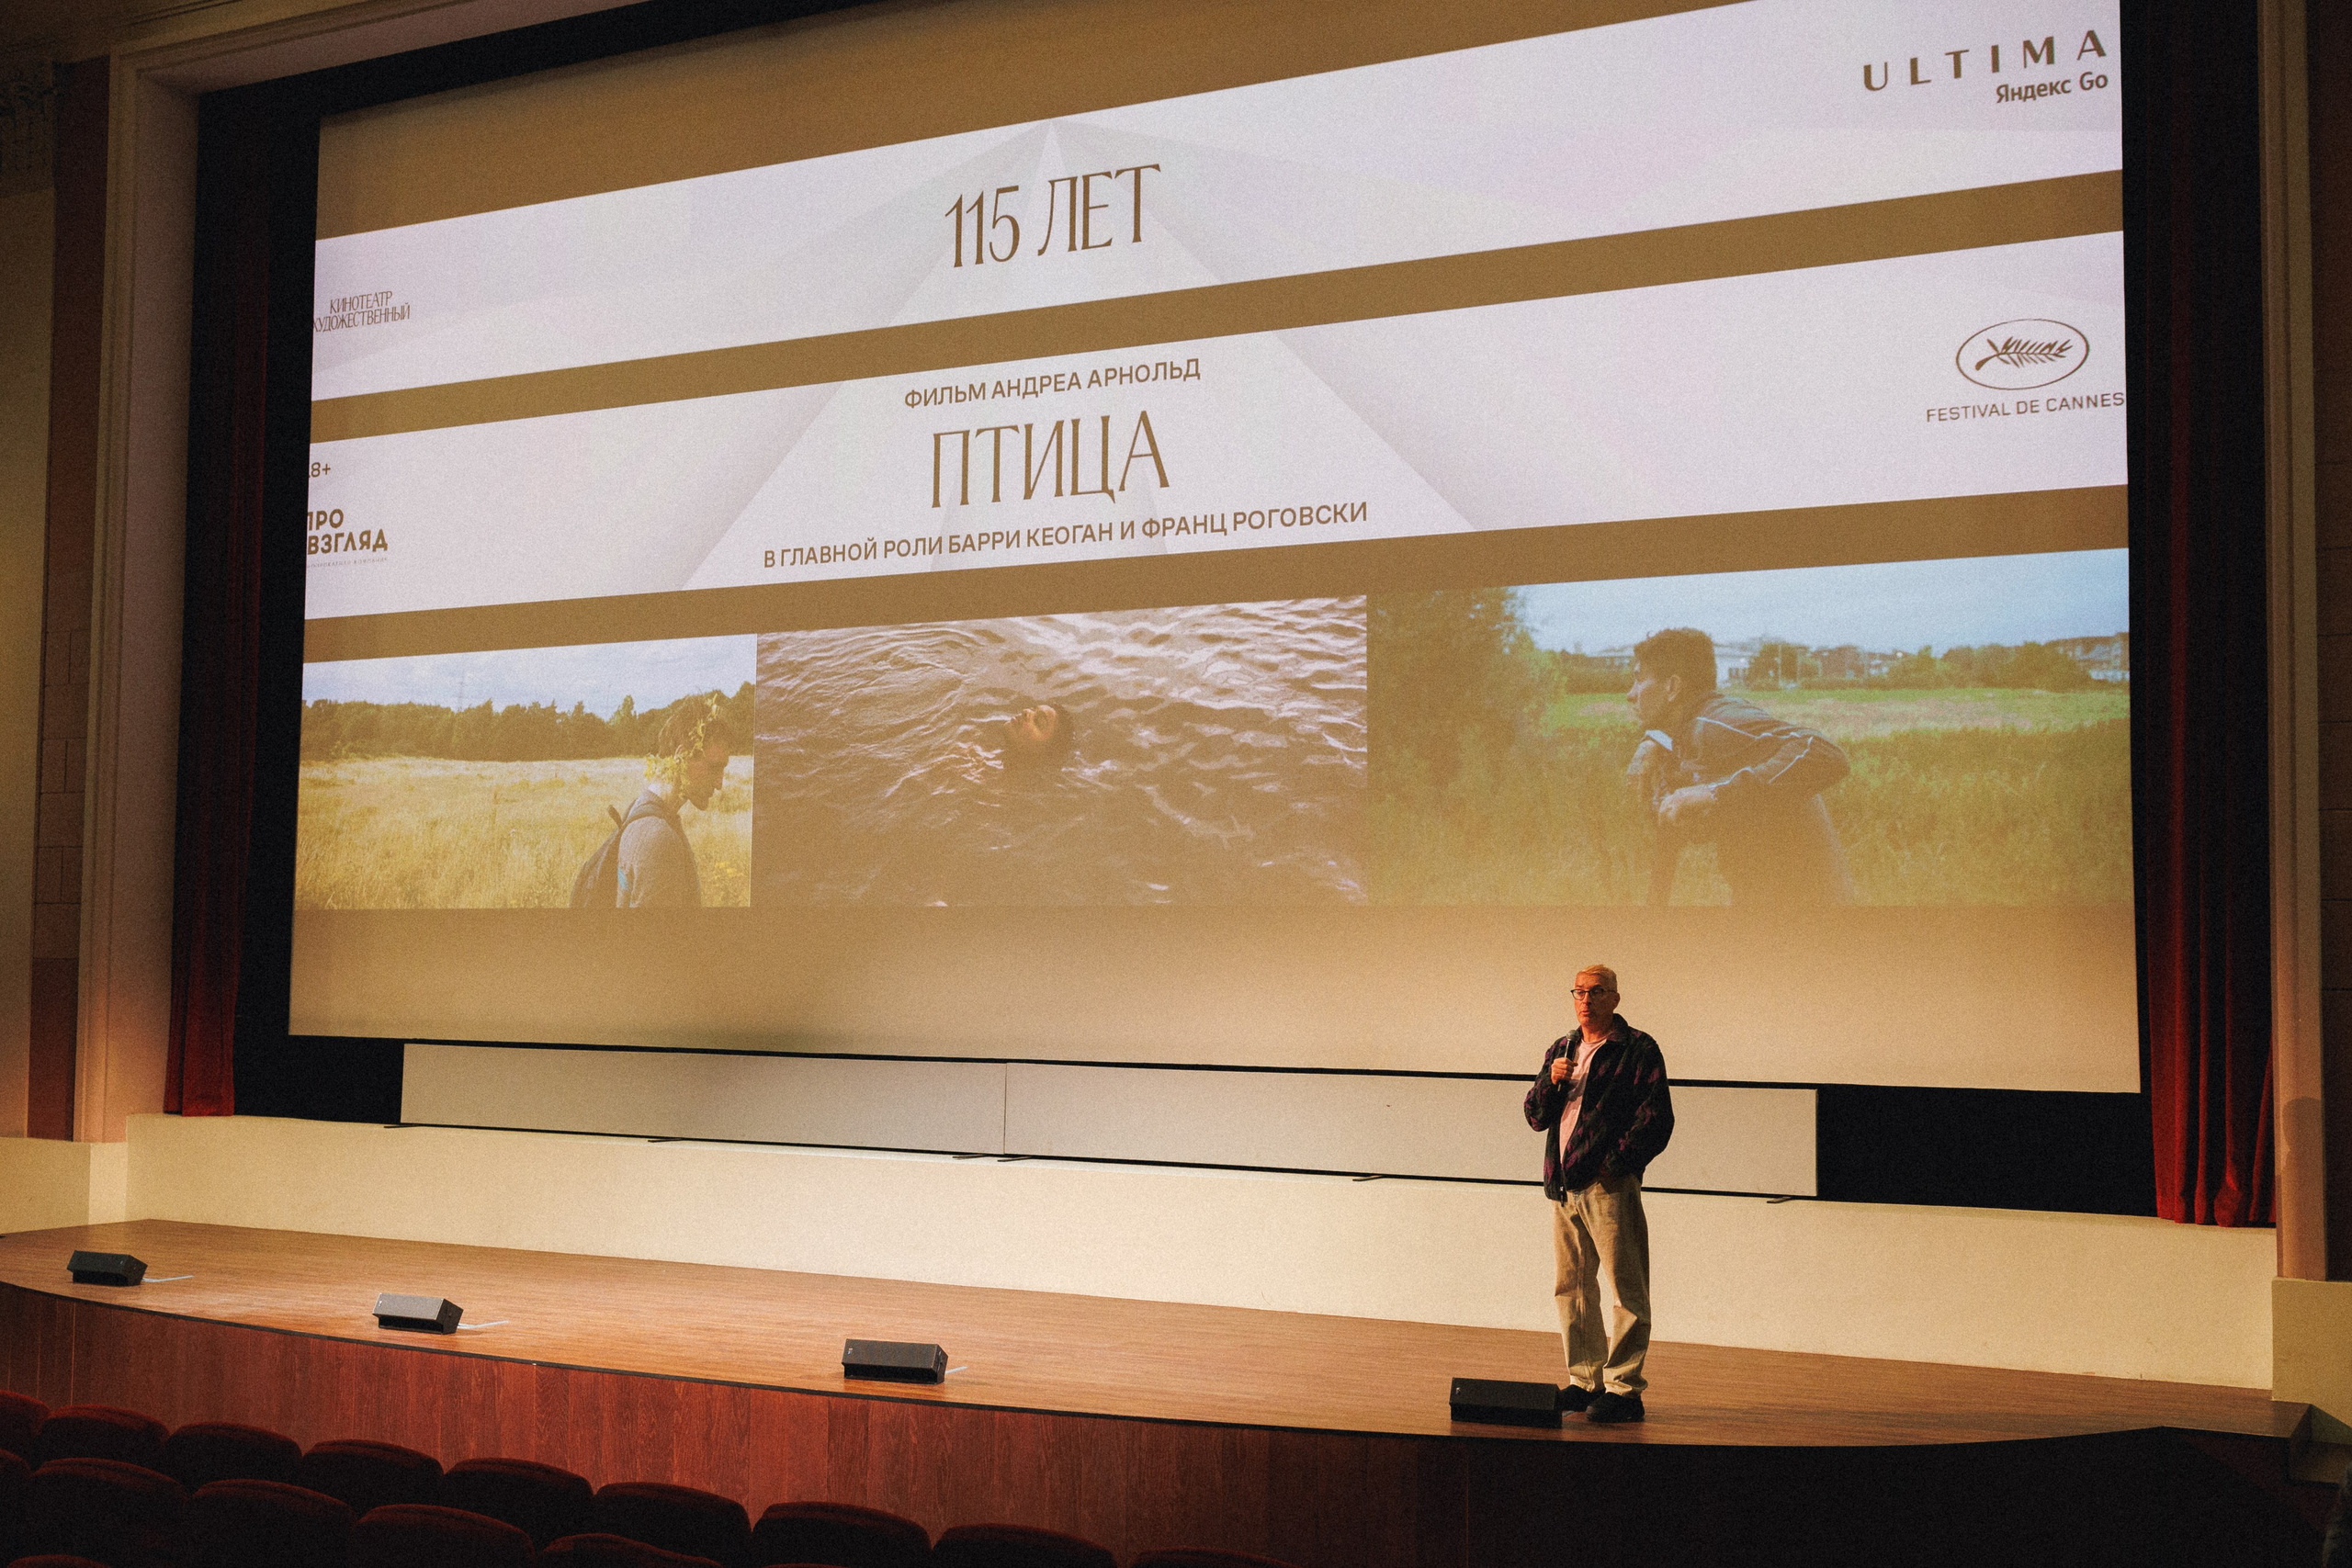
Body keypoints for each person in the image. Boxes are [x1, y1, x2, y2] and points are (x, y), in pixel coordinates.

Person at [1521, 964, 1674, 1423]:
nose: (1585, 999)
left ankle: (1625, 1389)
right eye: (1579, 991)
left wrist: (1614, 1166)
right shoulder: (1562, 1048)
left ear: (1615, 999)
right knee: (1572, 1288)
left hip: (1608, 1186)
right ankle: (1585, 1380)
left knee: (1626, 1287)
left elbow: (1656, 1119)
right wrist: (1552, 1081)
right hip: (1563, 1186)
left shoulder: (1637, 1049)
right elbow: (1534, 1115)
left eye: (1596, 991)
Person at [1623, 626, 1855, 906]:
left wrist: (1710, 793)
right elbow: (1694, 829)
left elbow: (1823, 752)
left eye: (1639, 680)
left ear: (1672, 687)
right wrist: (1656, 743)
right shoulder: (1689, 733)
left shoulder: (1716, 723)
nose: (1631, 694)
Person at [616, 697, 733, 908]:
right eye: (714, 767)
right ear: (681, 757)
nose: (719, 783)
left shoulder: (640, 809)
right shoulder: (658, 839)